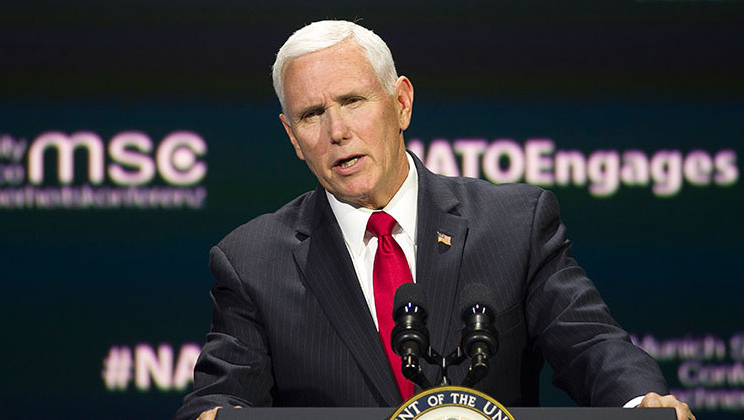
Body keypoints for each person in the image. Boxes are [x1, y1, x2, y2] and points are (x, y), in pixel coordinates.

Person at [175, 20, 694, 420]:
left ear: (400, 103)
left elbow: (590, 344)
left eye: (353, 101)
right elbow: (222, 395)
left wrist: (639, 404)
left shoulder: (515, 225)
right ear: (292, 137)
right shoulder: (252, 261)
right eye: (312, 114)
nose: (337, 131)